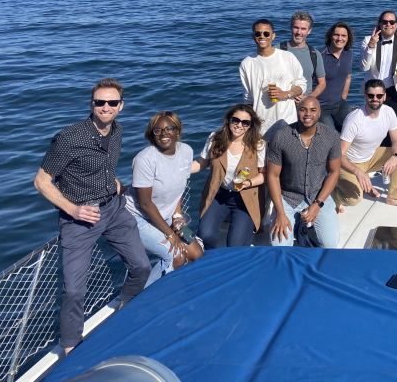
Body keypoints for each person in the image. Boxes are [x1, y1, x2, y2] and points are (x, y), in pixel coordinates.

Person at [33, 78, 150, 353]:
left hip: (114, 208)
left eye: (112, 102)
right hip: (79, 219)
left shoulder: (117, 131)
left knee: (142, 267)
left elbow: (105, 166)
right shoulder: (69, 138)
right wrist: (73, 209)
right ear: (92, 104)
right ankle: (71, 346)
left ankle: (127, 305)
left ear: (121, 106)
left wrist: (114, 184)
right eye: (100, 102)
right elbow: (41, 181)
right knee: (74, 290)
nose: (105, 107)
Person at [125, 111, 203, 286]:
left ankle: (175, 284)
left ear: (178, 131)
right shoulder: (144, 159)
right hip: (137, 216)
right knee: (175, 255)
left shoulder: (186, 151)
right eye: (158, 130)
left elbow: (178, 187)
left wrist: (177, 217)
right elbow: (145, 203)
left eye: (170, 128)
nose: (164, 134)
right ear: (151, 134)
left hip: (165, 214)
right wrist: (170, 234)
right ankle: (141, 296)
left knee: (196, 253)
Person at [267, 97, 341, 248]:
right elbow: (272, 175)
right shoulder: (281, 136)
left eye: (313, 110)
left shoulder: (331, 136)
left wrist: (317, 204)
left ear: (319, 113)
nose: (308, 114)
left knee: (330, 245)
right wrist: (280, 213)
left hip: (318, 196)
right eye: (303, 109)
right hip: (288, 198)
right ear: (297, 111)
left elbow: (334, 172)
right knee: (279, 247)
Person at [195, 104, 267, 248]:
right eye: (235, 120)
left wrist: (248, 183)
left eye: (245, 122)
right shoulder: (214, 139)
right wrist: (178, 169)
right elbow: (201, 164)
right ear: (229, 120)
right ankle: (213, 258)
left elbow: (263, 175)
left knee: (236, 245)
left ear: (251, 125)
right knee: (205, 235)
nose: (239, 125)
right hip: (219, 195)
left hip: (244, 198)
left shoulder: (258, 144)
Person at [335, 79, 397, 211]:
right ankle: (334, 193)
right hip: (349, 164)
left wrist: (395, 156)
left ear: (385, 96)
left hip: (370, 158)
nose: (375, 99)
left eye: (379, 96)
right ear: (365, 96)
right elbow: (339, 155)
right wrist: (358, 172)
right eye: (371, 95)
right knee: (354, 199)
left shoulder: (389, 112)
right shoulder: (354, 119)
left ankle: (394, 197)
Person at [240, 18, 307, 137]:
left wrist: (286, 94)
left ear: (273, 36)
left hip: (287, 122)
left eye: (266, 33)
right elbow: (248, 99)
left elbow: (302, 84)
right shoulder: (247, 63)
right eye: (258, 33)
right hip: (260, 126)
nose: (262, 36)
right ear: (253, 36)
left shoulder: (287, 57)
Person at [360, 10, 397, 151]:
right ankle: (378, 159)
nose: (388, 24)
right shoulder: (367, 40)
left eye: (391, 22)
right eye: (384, 22)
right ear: (380, 24)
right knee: (376, 127)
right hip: (375, 91)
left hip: (394, 89)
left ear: (396, 25)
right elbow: (364, 66)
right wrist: (371, 46)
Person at [279, 10, 327, 100]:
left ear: (309, 31)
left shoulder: (315, 54)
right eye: (296, 27)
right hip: (282, 103)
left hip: (304, 106)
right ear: (291, 28)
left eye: (303, 29)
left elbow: (322, 83)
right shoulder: (277, 50)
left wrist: (308, 98)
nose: (299, 32)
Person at [319, 21, 354, 131]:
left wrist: (343, 98)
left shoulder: (349, 54)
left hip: (339, 104)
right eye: (336, 35)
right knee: (331, 134)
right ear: (330, 36)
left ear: (348, 38)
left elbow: (348, 77)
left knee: (353, 127)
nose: (340, 38)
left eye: (343, 36)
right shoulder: (319, 55)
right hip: (320, 106)